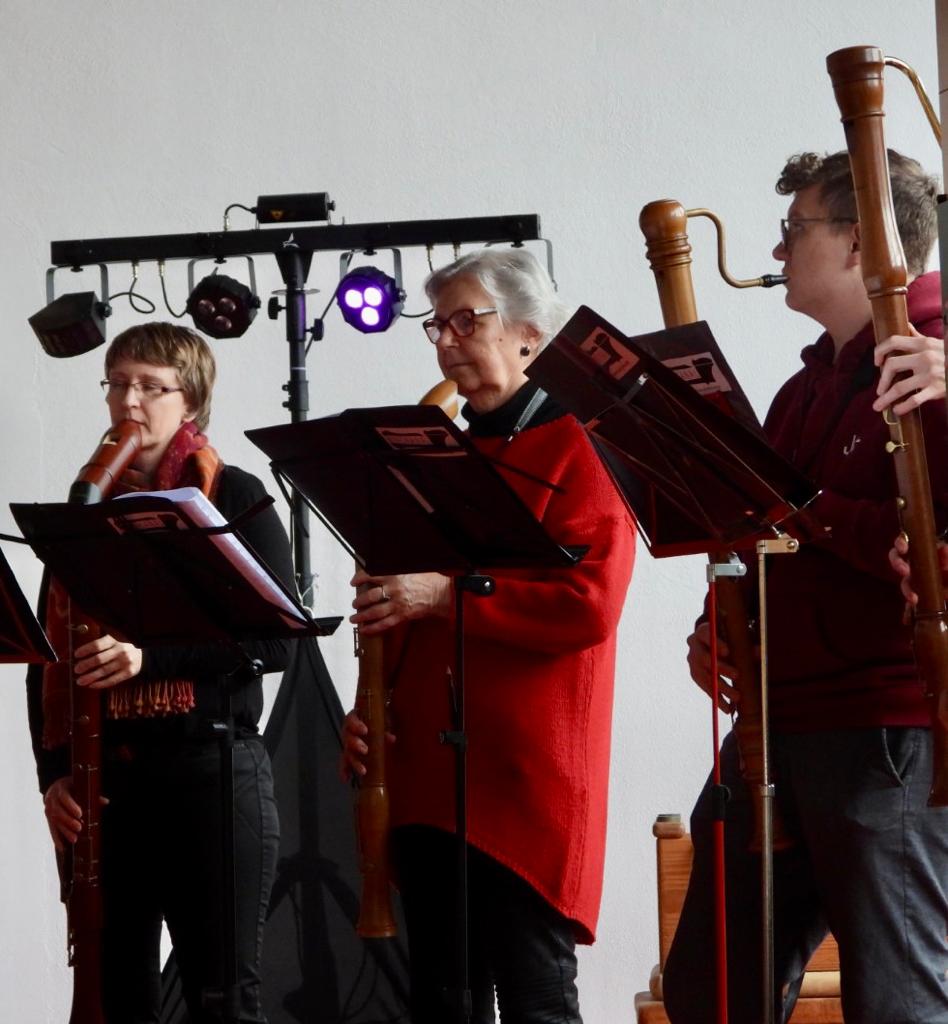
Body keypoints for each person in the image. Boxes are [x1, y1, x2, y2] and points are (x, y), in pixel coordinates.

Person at [663, 150, 948, 1024]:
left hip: (882, 729)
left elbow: (915, 549)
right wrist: (723, 619)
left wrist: (810, 512)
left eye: (795, 231)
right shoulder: (801, 390)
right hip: (777, 722)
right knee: (712, 986)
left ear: (861, 244)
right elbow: (761, 537)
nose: (778, 251)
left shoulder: (933, 365)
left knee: (897, 1002)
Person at [341, 248, 636, 1024]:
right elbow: (402, 607)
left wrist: (445, 595)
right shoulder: (436, 455)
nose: (445, 342)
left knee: (536, 999)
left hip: (526, 775)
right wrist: (371, 707)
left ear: (531, 337)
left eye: (466, 322)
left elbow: (588, 604)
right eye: (436, 326)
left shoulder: (583, 446)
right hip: (430, 771)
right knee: (442, 999)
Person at [27, 322, 292, 1023]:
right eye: (117, 383)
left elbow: (277, 641)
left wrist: (152, 659)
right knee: (117, 1000)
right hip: (106, 781)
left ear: (192, 402)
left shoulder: (234, 495)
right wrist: (52, 773)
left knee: (222, 998)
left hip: (213, 771)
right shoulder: (85, 507)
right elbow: (45, 659)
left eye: (150, 386)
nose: (129, 402)